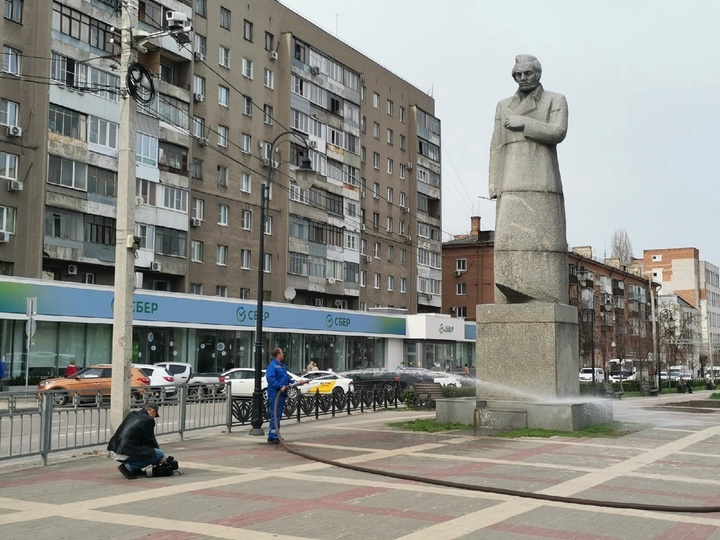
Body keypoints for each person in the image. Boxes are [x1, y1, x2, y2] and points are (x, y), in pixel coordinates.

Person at [489, 54, 569, 305]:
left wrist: (525, 123)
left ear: (538, 74)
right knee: (509, 239)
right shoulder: (503, 105)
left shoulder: (555, 100)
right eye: (518, 74)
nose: (522, 79)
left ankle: (540, 291)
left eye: (528, 74)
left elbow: (558, 132)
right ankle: (512, 288)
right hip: (510, 179)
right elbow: (496, 145)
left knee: (542, 234)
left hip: (542, 179)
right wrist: (493, 181)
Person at [107, 403, 166, 479]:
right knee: (159, 454)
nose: (154, 417)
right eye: (155, 415)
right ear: (152, 411)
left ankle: (136, 469)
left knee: (145, 450)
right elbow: (150, 440)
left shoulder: (133, 414)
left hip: (114, 449)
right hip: (124, 452)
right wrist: (160, 457)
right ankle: (128, 467)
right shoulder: (147, 420)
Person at [266, 348, 306, 444]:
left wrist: (296, 382)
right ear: (277, 354)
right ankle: (274, 436)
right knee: (275, 414)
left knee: (277, 415)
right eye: (282, 353)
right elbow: (270, 378)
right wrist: (280, 386)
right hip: (275, 393)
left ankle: (272, 435)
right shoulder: (273, 366)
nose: (283, 355)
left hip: (281, 393)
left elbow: (286, 379)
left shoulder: (281, 366)